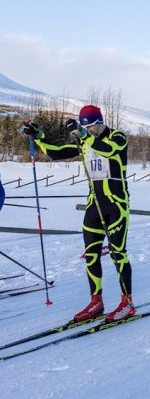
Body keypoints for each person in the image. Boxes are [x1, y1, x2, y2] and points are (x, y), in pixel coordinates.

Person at [23, 105, 134, 322]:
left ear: (101, 122)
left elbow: (108, 150)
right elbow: (57, 153)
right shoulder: (85, 141)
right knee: (91, 255)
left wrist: (84, 136)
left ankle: (127, 303)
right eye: (86, 128)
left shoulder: (117, 136)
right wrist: (38, 137)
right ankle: (96, 301)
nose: (91, 131)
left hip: (116, 204)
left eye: (93, 126)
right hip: (94, 204)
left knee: (117, 253)